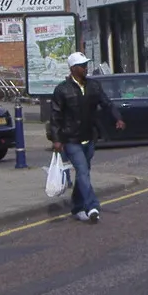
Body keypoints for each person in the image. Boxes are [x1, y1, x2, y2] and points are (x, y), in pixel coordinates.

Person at [47, 51, 125, 223]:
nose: (85, 68)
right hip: (70, 139)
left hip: (88, 138)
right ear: (73, 68)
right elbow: (55, 116)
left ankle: (77, 208)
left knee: (83, 174)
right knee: (83, 171)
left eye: (86, 65)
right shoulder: (62, 90)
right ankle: (92, 207)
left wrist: (117, 118)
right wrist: (57, 139)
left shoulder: (93, 86)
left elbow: (106, 103)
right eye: (82, 66)